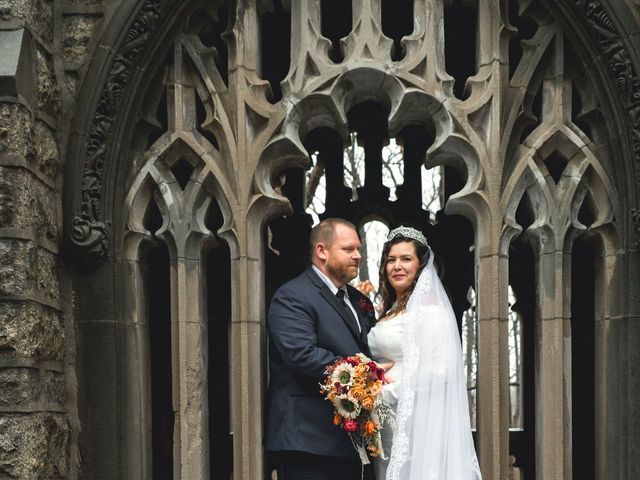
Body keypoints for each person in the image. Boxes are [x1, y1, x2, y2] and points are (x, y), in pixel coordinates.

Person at [265, 218, 377, 480]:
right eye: (348, 249)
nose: (358, 256)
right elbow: (302, 355)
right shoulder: (293, 295)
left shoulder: (359, 300)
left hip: (350, 441)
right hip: (307, 441)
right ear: (321, 251)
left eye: (359, 249)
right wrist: (368, 373)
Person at [368, 226, 482, 480]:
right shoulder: (389, 312)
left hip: (417, 424)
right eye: (391, 260)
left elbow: (437, 371)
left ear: (420, 266)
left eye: (406, 259)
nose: (397, 266)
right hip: (384, 424)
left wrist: (383, 393)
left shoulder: (432, 313)